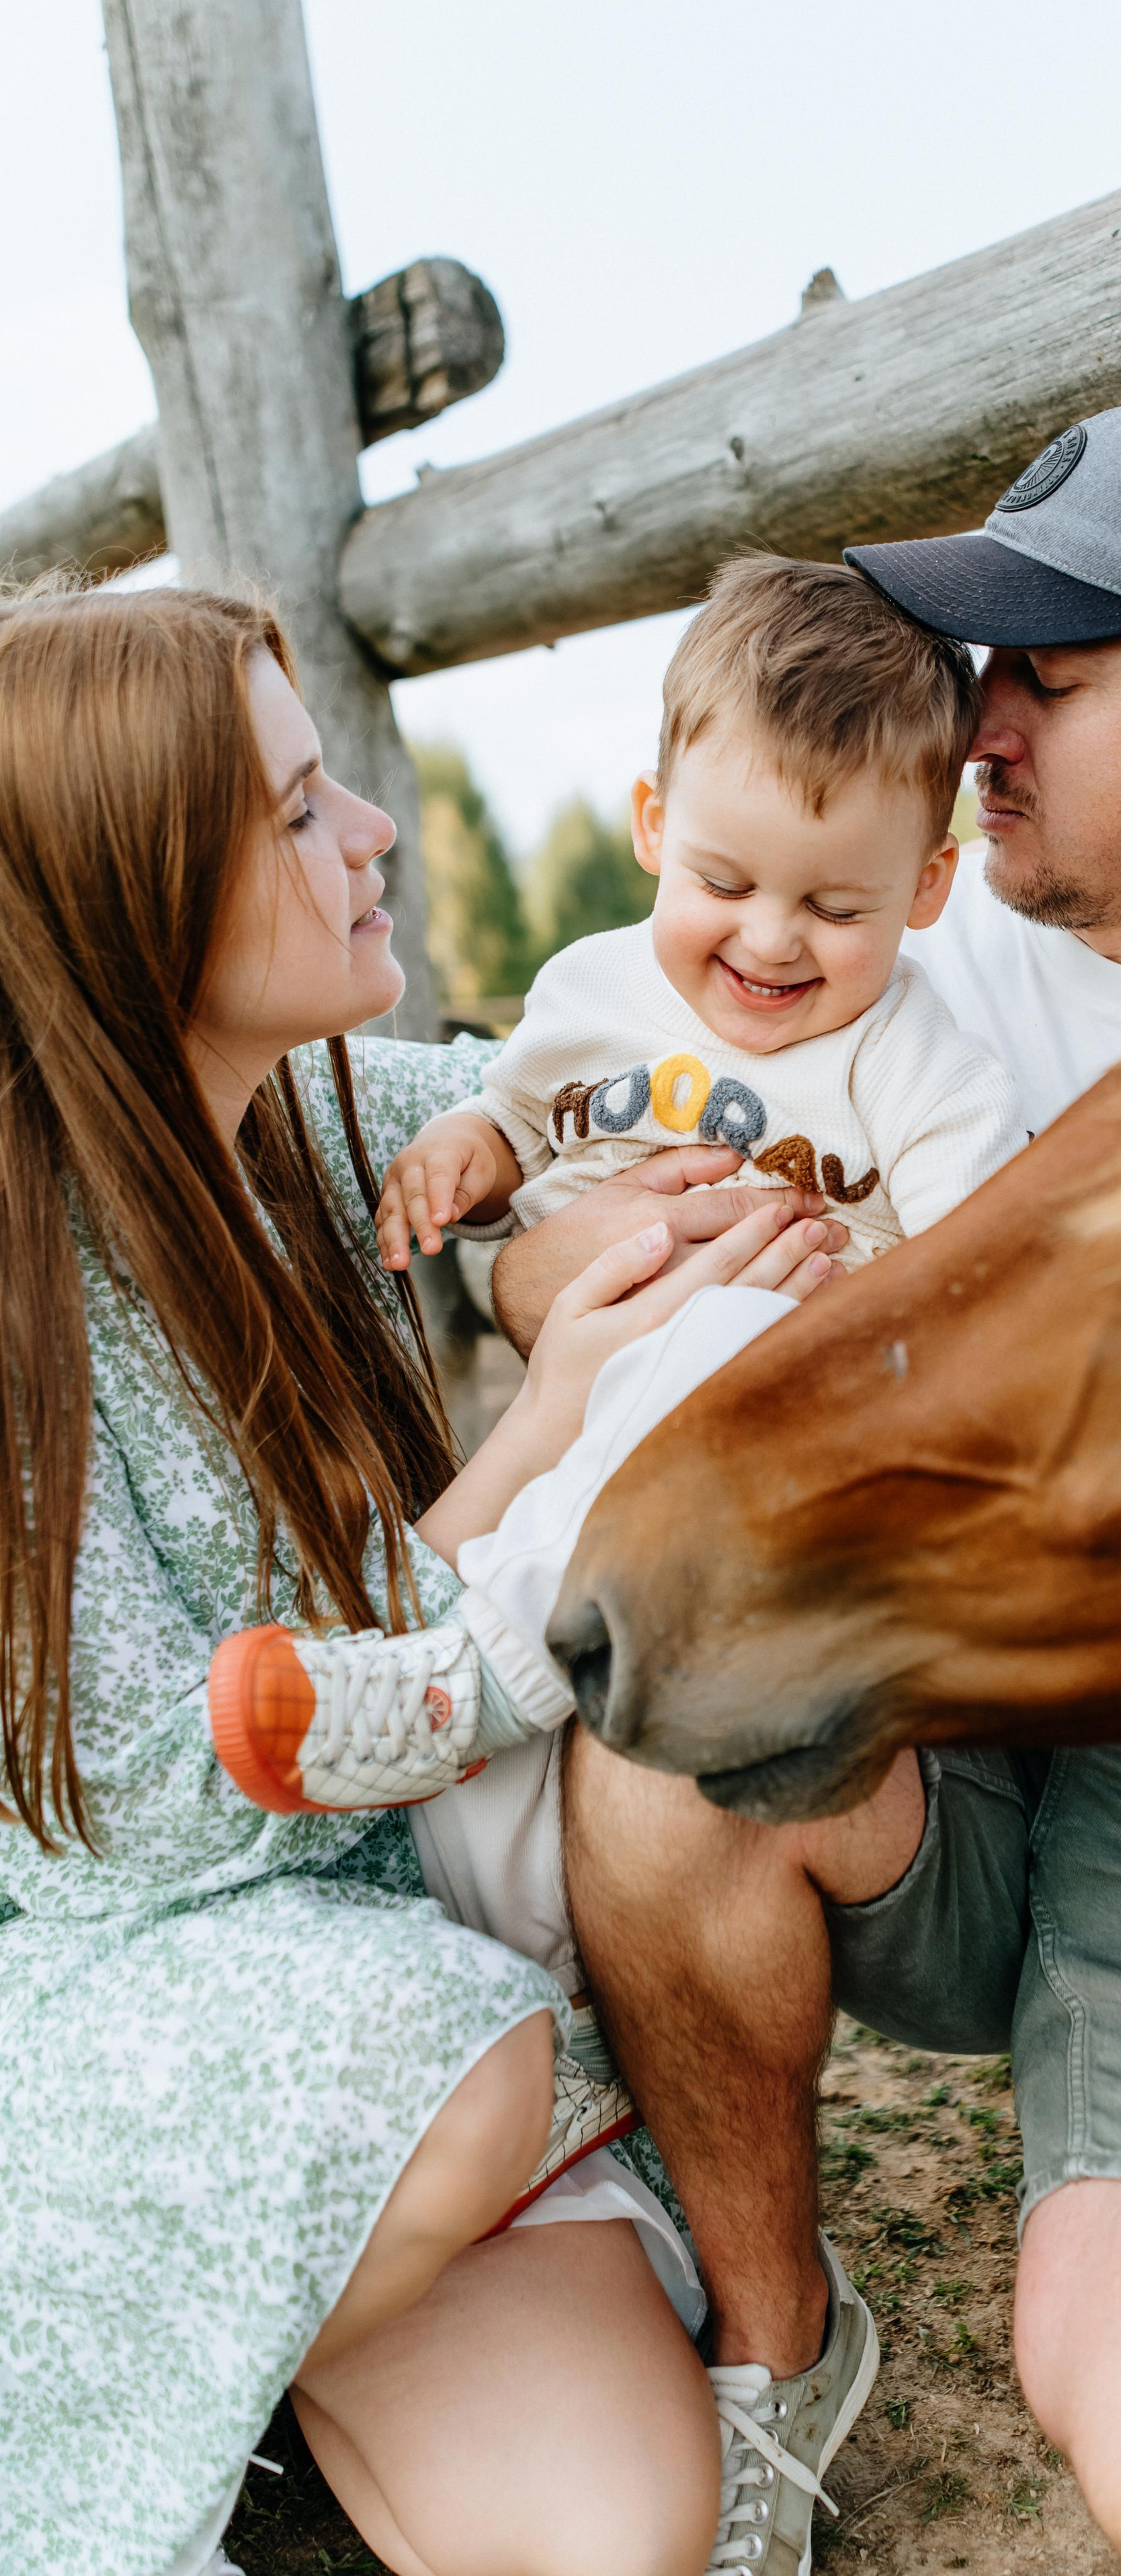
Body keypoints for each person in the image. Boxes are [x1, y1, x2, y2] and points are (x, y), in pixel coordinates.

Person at [483, 394, 1121, 2576]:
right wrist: (604, 1245)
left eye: (1052, 667)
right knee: (676, 1715)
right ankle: (778, 2341)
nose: (984, 716)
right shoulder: (864, 924)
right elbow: (560, 1174)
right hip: (913, 1716)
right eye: (985, 656)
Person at [0, 584, 839, 2576]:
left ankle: (243, 2323)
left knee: (621, 2529)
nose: (369, 831)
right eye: (298, 816)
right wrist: (543, 1427)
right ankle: (119, 2333)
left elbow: (575, 1100)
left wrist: (634, 1181)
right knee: (461, 2078)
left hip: (372, 1929)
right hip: (118, 1980)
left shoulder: (308, 1119)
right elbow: (135, 1799)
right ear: (140, 909)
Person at [372, 556, 1022, 1280]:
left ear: (924, 888)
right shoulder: (587, 990)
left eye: (834, 908)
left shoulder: (913, 1068)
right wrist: (463, 1154)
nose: (770, 942)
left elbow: (972, 1277)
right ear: (654, 826)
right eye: (723, 885)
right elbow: (518, 1129)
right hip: (593, 1381)